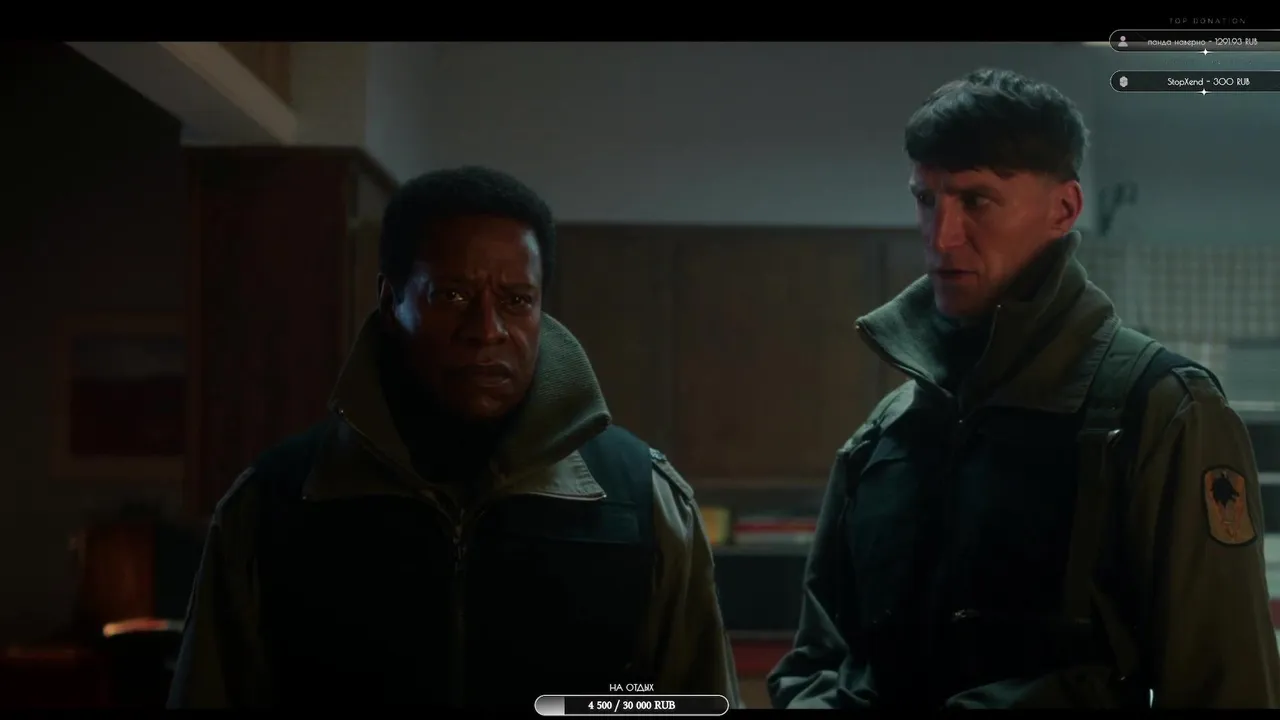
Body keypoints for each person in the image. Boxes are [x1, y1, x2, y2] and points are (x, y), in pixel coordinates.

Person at [768, 68, 1280, 709]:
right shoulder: (887, 433)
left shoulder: (1161, 412)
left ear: (1063, 209)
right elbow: (817, 661)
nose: (942, 235)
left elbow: (1226, 684)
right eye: (926, 199)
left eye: (976, 201)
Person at [168, 166, 740, 709]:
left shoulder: (642, 501)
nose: (487, 331)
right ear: (390, 302)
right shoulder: (273, 504)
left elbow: (692, 705)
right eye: (452, 295)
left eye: (517, 300)